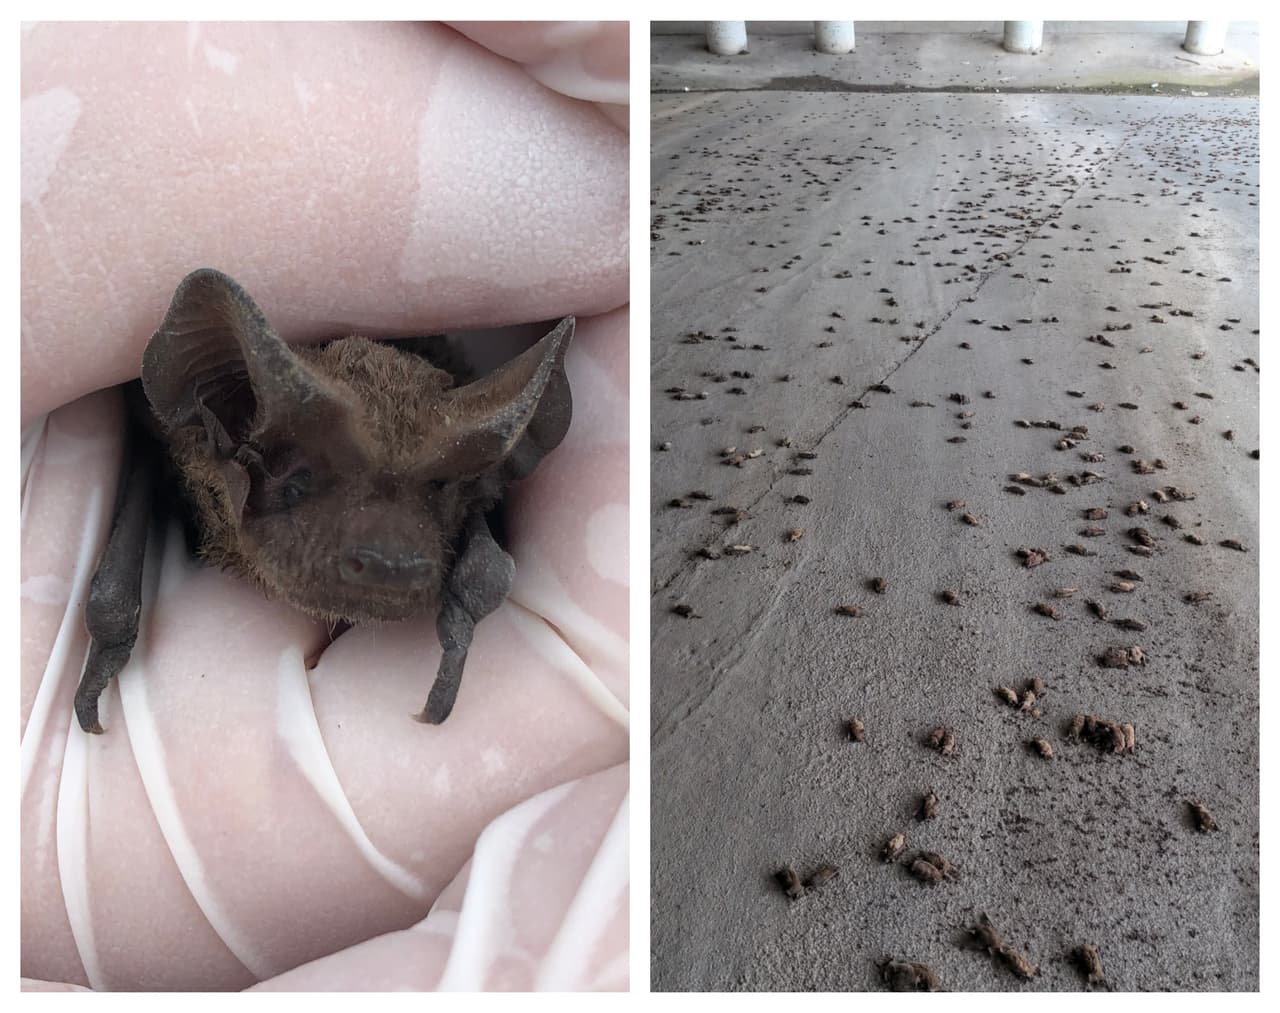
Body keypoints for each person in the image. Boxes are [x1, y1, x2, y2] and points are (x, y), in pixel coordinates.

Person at [20, 21, 629, 991]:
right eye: (302, 481)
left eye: (435, 493)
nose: (388, 550)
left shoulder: (459, 507)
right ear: (230, 442)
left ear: (469, 490)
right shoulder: (203, 454)